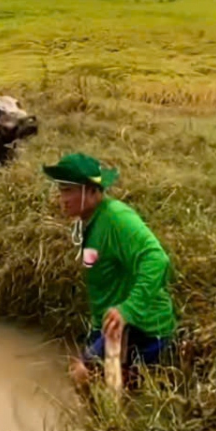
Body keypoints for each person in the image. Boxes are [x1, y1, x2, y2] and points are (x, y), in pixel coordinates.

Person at [42, 153, 176, 385]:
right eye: (61, 190)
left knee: (82, 376)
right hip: (110, 321)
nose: (62, 198)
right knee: (84, 373)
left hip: (143, 327)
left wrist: (128, 309)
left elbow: (157, 259)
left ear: (92, 191)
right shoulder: (89, 220)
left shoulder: (116, 218)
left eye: (68, 190)